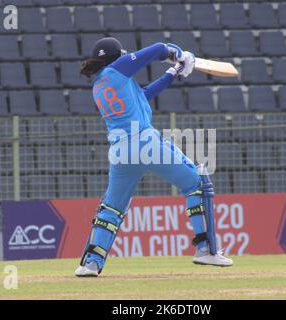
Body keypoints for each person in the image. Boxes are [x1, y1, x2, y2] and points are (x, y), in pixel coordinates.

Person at [75, 37, 233, 277]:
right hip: (144, 142)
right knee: (196, 182)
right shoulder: (117, 67)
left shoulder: (98, 85)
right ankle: (206, 250)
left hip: (120, 151)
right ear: (116, 57)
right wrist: (178, 53)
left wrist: (173, 72)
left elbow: (145, 95)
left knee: (112, 207)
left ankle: (91, 264)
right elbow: (158, 49)